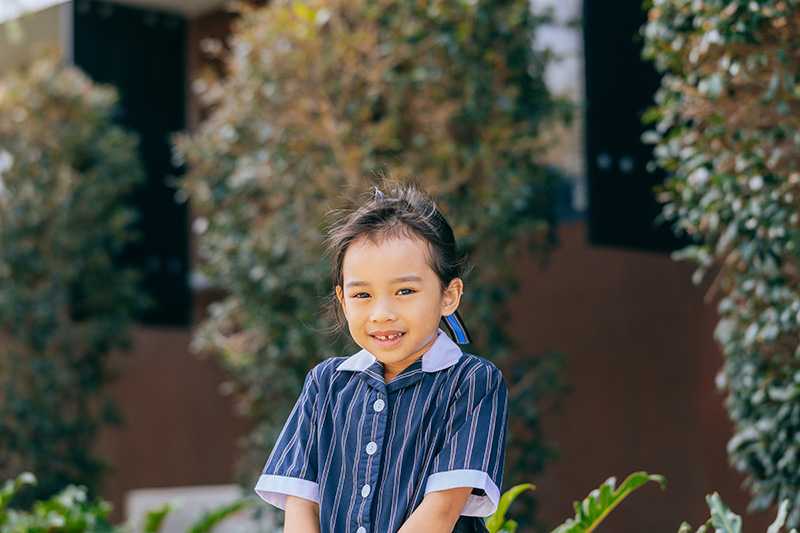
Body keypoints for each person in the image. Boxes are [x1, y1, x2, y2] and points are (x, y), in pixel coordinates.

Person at [254, 181, 509, 533]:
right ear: (342, 299)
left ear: (449, 295)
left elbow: (441, 510)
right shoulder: (325, 384)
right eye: (363, 295)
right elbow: (300, 505)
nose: (382, 313)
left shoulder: (471, 382)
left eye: (405, 291)